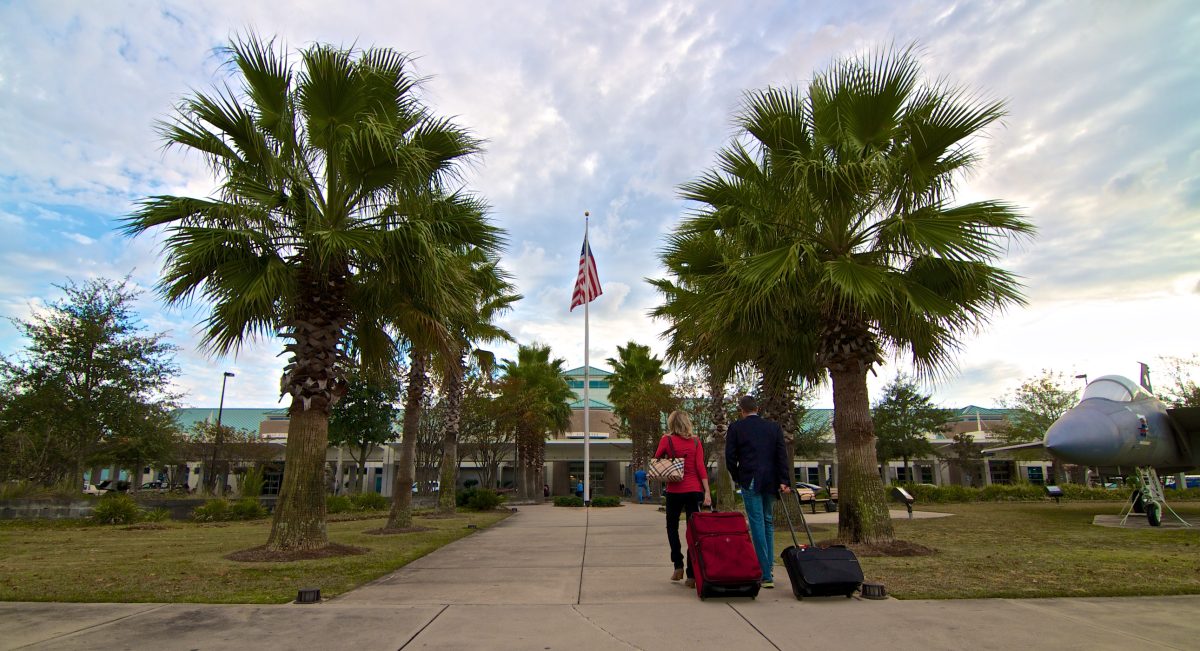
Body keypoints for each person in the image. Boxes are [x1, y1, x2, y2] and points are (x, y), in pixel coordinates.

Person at [725, 395, 790, 589]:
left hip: (750, 478)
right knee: (768, 521)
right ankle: (768, 566)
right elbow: (781, 456)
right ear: (757, 408)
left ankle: (764, 573)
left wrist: (739, 476)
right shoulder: (773, 428)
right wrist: (784, 480)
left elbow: (730, 457)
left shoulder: (736, 427)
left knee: (757, 523)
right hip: (771, 480)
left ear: (741, 410)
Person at [654, 410, 711, 587]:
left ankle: (677, 564)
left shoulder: (667, 440)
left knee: (672, 527)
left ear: (672, 424)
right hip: (694, 490)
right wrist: (707, 492)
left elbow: (656, 460)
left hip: (674, 489)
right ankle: (692, 575)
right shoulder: (695, 441)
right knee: (693, 532)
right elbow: (700, 467)